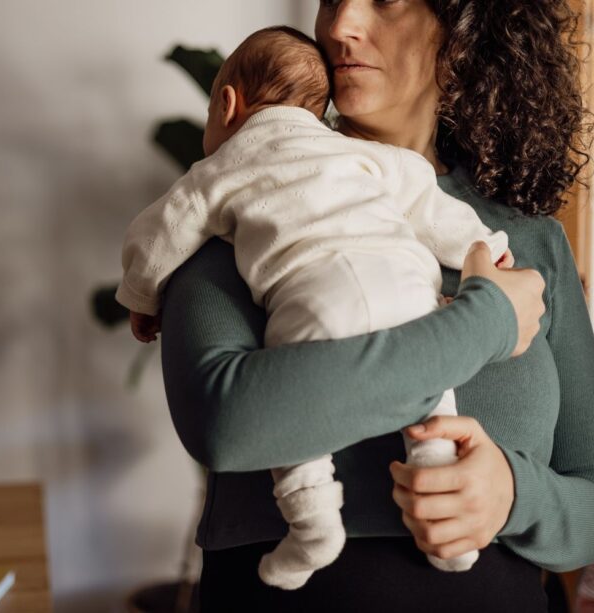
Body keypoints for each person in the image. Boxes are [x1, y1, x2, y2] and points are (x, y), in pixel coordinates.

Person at [157, 1, 593, 611]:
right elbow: (225, 425)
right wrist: (485, 323)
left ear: (465, 24)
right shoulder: (248, 195)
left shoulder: (526, 240)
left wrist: (515, 497)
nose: (339, 26)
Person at [115, 26, 512, 589]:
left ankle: (314, 525)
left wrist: (141, 296)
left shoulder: (220, 170)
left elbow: (159, 233)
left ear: (227, 104)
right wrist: (487, 249)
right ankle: (442, 507)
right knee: (433, 390)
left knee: (297, 414)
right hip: (409, 288)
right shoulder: (364, 155)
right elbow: (428, 201)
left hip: (315, 303)